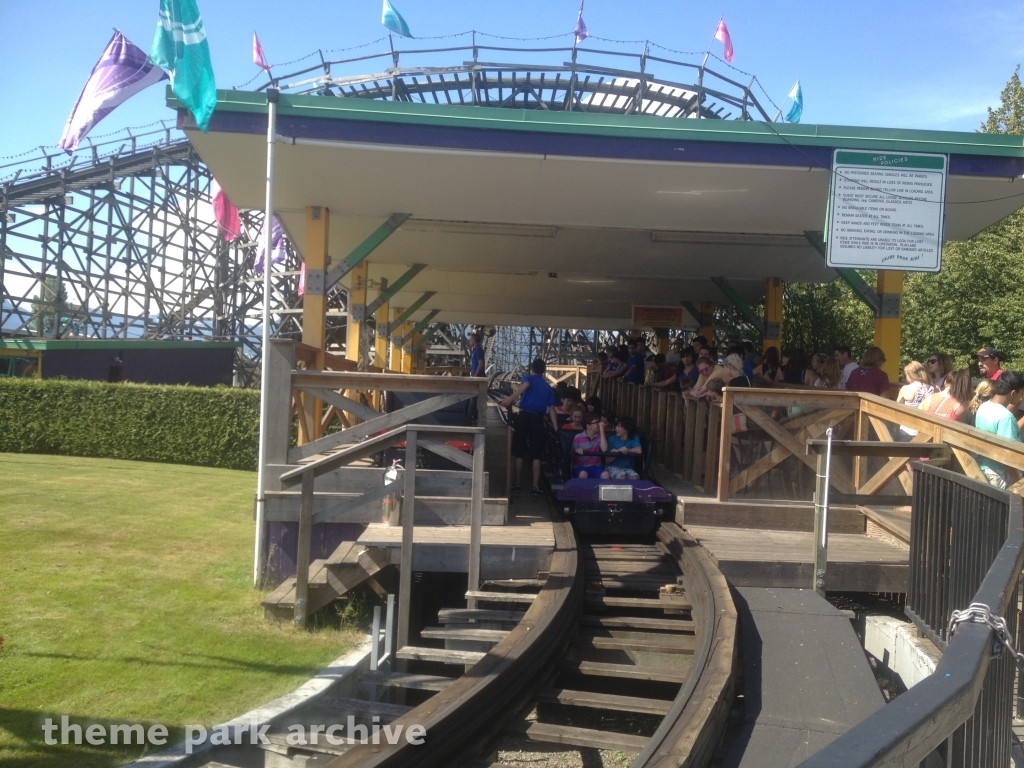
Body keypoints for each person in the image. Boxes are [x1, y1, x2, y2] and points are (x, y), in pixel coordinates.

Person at [500, 359, 559, 495]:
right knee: (536, 453)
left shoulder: (528, 378)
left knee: (519, 450)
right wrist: (556, 428)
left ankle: (517, 483)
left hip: (524, 416)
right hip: (538, 418)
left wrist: (510, 399)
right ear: (544, 371)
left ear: (532, 369)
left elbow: (526, 384)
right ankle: (535, 486)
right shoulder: (548, 388)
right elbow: (551, 409)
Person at [972, 373, 1024, 488]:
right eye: (1021, 394)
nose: (1021, 398)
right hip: (1001, 473)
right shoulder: (1006, 416)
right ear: (1013, 393)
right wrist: (1018, 482)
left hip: (985, 467)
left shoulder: (984, 407)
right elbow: (1009, 455)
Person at [896, 361, 936, 439]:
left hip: (906, 428)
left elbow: (897, 407)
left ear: (911, 374)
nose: (905, 377)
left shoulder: (906, 388)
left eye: (906, 374)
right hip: (924, 430)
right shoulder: (931, 388)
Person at [572, 414, 609, 479]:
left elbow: (604, 449)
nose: (599, 424)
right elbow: (572, 454)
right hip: (580, 466)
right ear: (588, 426)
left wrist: (602, 430)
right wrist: (577, 450)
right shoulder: (578, 437)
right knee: (583, 474)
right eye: (596, 422)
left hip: (596, 466)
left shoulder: (599, 436)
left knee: (605, 475)